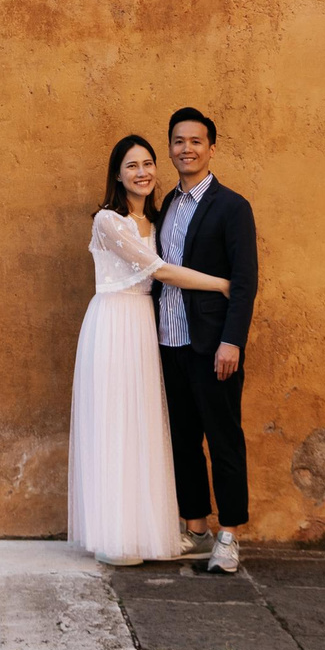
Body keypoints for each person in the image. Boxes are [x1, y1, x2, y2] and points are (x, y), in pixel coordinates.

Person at [68, 134, 235, 567]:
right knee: (114, 423)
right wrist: (219, 283)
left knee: (142, 424)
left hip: (146, 327)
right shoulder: (109, 220)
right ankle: (114, 535)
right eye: (131, 166)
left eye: (147, 164)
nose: (142, 173)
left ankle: (140, 531)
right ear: (117, 175)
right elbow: (159, 270)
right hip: (112, 324)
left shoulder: (157, 221)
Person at [154, 106, 257, 574]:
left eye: (196, 141)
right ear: (170, 147)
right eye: (178, 141)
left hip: (213, 347)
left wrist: (231, 341)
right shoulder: (166, 206)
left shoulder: (232, 207)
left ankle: (229, 534)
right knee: (182, 440)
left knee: (224, 440)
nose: (186, 149)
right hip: (169, 342)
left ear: (211, 148)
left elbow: (244, 280)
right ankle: (196, 529)